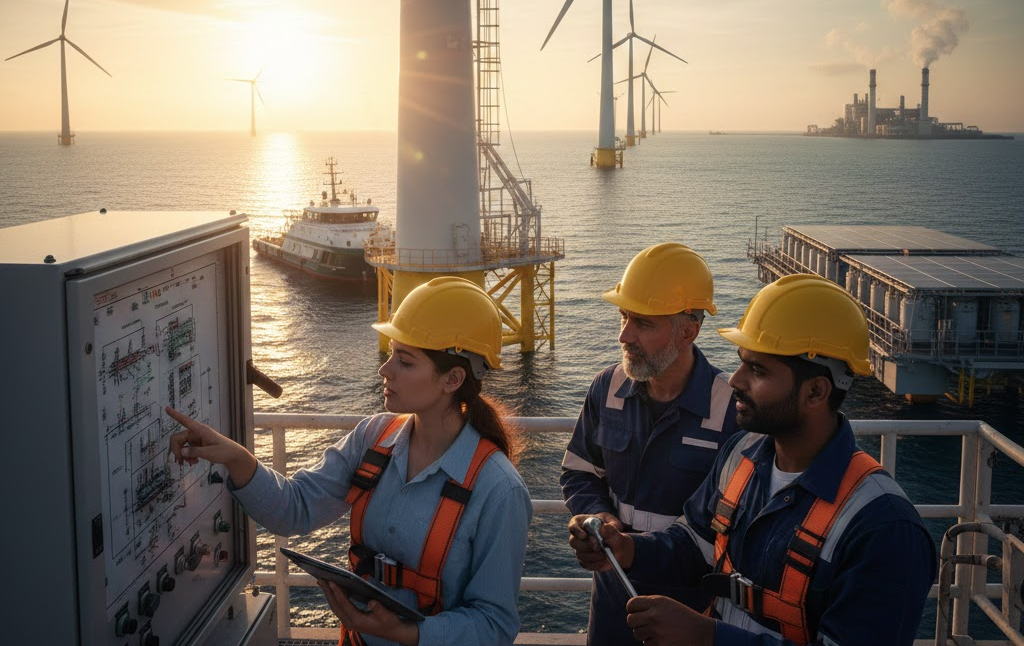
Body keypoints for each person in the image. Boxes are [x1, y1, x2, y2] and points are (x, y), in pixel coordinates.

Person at [569, 274, 937, 646]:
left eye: (758, 371)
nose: (735, 381)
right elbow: (694, 544)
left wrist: (706, 636)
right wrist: (627, 548)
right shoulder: (740, 455)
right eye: (742, 363)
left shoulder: (883, 528)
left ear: (815, 391)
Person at [167, 276, 533, 646]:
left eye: (404, 361)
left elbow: (495, 625)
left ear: (453, 378)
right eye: (391, 353)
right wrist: (236, 457)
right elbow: (293, 508)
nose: (385, 369)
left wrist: (403, 633)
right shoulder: (373, 438)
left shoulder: (499, 489)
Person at [561, 243, 739, 646]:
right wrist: (596, 516)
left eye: (642, 322)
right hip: (612, 601)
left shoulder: (730, 410)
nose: (624, 334)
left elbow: (726, 525)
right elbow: (579, 470)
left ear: (688, 330)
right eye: (623, 316)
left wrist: (631, 549)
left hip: (691, 613)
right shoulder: (607, 388)